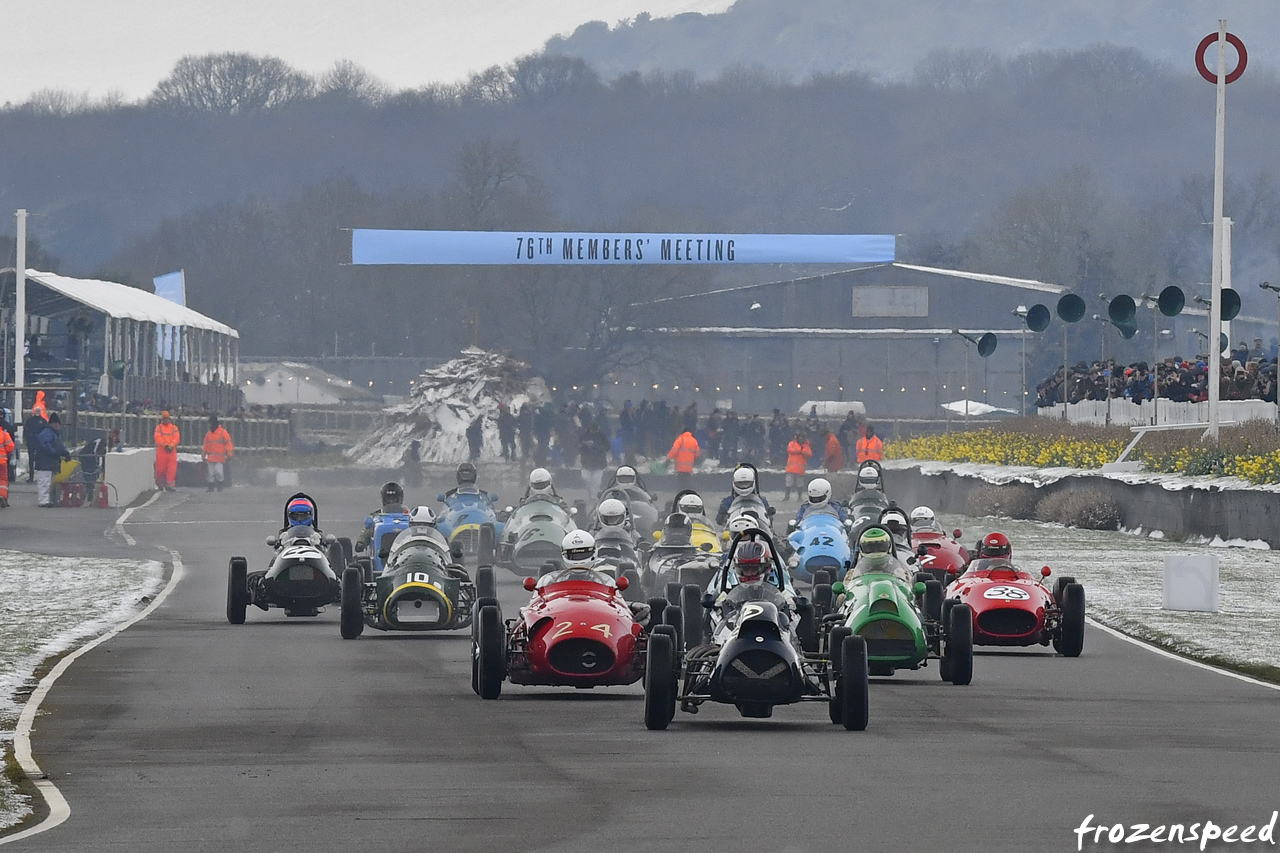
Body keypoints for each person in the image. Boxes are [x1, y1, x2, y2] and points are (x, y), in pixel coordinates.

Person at [356, 481, 410, 551]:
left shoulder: (409, 515)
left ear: (399, 499)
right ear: (384, 499)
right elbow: (367, 530)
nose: (391, 502)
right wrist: (361, 542)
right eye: (389, 499)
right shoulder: (376, 516)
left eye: (393, 499)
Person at [201, 414, 234, 492]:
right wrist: (203, 455)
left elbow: (228, 443)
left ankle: (220, 484)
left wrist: (229, 453)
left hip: (219, 458)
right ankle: (211, 486)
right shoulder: (209, 434)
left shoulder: (223, 432)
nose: (210, 425)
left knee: (219, 472)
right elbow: (205, 445)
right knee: (211, 473)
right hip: (211, 457)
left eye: (211, 423)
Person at [579, 417, 609, 496]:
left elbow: (607, 447)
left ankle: (594, 497)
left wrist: (598, 448)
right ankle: (590, 493)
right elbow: (578, 445)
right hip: (586, 462)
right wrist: (584, 446)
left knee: (596, 482)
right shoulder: (584, 435)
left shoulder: (602, 435)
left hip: (599, 463)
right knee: (586, 478)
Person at [154, 411, 180, 491]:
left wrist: (171, 446)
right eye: (164, 419)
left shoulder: (174, 428)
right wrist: (165, 445)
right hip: (162, 451)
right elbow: (157, 438)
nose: (166, 420)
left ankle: (170, 485)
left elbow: (177, 438)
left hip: (171, 451)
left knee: (172, 469)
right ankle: (160, 484)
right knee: (160, 469)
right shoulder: (159, 428)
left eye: (167, 419)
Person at [784, 430, 812, 501]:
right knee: (788, 482)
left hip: (800, 469)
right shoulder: (792, 444)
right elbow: (790, 450)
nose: (802, 439)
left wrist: (800, 450)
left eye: (803, 437)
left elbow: (809, 454)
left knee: (800, 484)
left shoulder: (806, 445)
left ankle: (799, 497)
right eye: (801, 437)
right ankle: (787, 496)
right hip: (791, 468)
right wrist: (801, 450)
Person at [0, 421, 13, 508]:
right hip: (2, 462)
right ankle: (2, 495)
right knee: (3, 480)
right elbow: (10, 446)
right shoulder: (4, 434)